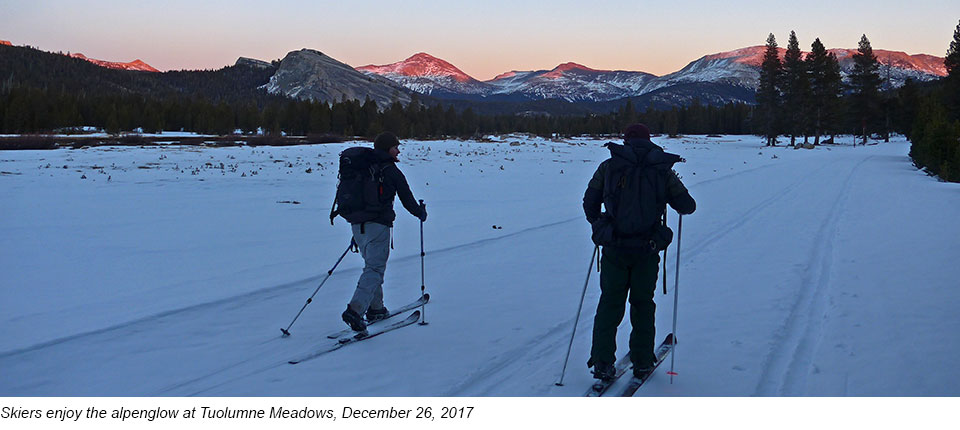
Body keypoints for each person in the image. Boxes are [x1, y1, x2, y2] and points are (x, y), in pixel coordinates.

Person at [581, 123, 696, 380]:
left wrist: (599, 224)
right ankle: (643, 361)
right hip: (647, 248)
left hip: (614, 248)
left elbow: (590, 201)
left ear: (626, 141)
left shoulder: (608, 166)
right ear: (648, 140)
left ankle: (602, 362)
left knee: (610, 303)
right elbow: (688, 206)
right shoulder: (661, 169)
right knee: (643, 304)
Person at [340, 132, 427, 333]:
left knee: (372, 266)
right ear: (387, 148)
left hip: (357, 225)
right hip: (378, 225)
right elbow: (407, 199)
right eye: (395, 147)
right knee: (375, 268)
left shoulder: (364, 167)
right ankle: (355, 310)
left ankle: (376, 309)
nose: (398, 150)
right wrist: (420, 213)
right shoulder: (390, 171)